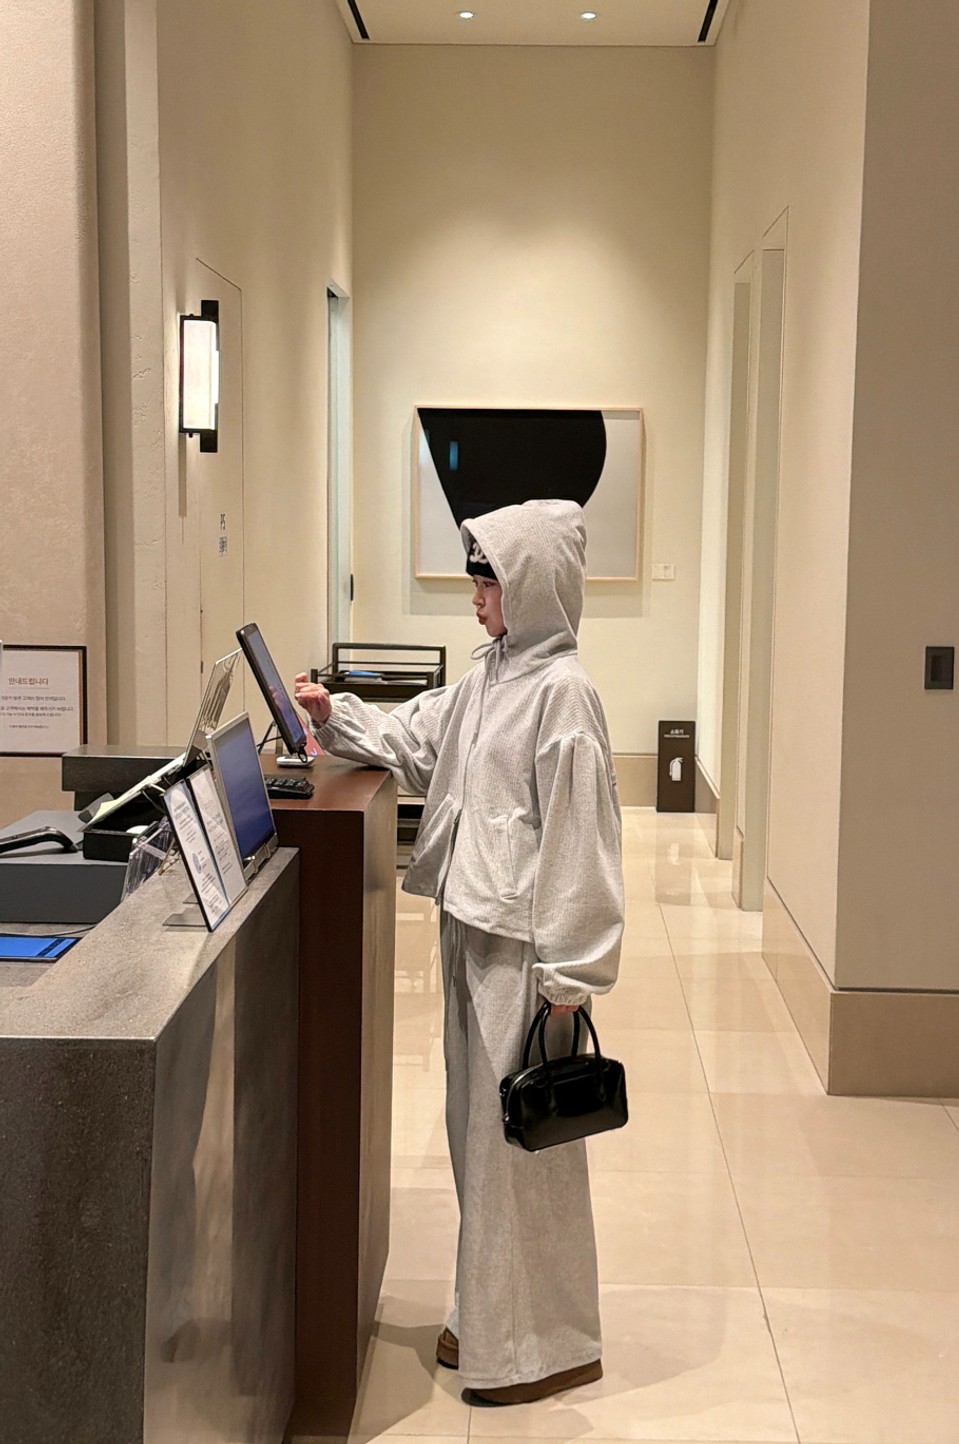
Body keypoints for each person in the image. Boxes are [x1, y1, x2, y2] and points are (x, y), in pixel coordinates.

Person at [293, 498, 623, 1405]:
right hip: (471, 930)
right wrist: (330, 716)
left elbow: (583, 841)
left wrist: (571, 976)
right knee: (478, 1140)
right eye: (478, 577)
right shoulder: (489, 679)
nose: (476, 595)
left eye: (491, 579)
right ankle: (488, 1314)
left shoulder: (563, 694)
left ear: (533, 584)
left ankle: (538, 1346)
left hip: (523, 954)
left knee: (519, 1152)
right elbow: (415, 739)